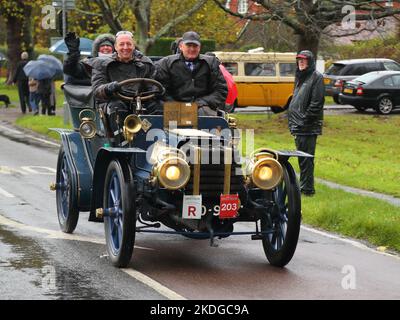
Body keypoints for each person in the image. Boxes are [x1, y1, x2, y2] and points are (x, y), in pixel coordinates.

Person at [91, 31, 157, 144]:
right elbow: (97, 90)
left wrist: (155, 91)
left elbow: (153, 85)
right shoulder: (102, 64)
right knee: (117, 107)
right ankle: (121, 143)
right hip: (113, 102)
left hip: (140, 102)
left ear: (133, 46)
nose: (125, 47)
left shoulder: (146, 64)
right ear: (115, 47)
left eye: (128, 44)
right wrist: (109, 87)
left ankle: (153, 141)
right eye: (121, 44)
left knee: (158, 107)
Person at [155, 31, 227, 116]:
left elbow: (221, 90)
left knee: (207, 121)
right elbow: (161, 90)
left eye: (195, 46)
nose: (192, 49)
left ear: (199, 48)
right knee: (169, 122)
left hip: (203, 108)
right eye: (188, 45)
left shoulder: (211, 63)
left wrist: (201, 103)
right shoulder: (166, 64)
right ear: (181, 46)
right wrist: (176, 105)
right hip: (174, 108)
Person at [287, 50, 324, 196]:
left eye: (304, 60)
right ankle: (304, 188)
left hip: (307, 127)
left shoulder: (316, 77)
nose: (301, 62)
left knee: (306, 160)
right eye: (299, 60)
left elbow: (316, 103)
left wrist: (304, 120)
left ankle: (307, 190)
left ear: (310, 62)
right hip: (299, 126)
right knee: (302, 160)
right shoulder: (300, 77)